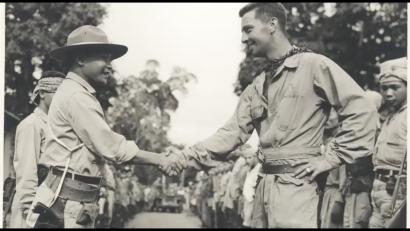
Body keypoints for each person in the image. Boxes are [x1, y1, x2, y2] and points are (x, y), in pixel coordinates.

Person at [171, 3, 377, 228]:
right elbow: (230, 134)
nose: (242, 38)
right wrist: (183, 157)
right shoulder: (257, 85)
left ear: (272, 25)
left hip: (297, 189)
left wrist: (329, 158)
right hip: (263, 189)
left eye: (248, 29)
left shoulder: (313, 65)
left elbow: (363, 111)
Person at [25, 25, 185, 228]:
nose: (110, 66)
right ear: (81, 58)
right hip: (66, 203)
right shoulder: (76, 96)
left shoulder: (75, 92)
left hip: (71, 200)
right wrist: (160, 160)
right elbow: (112, 147)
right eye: (105, 58)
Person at [9, 71, 64, 228]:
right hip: (33, 208)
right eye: (57, 92)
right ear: (42, 93)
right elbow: (26, 170)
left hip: (50, 204)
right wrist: (29, 209)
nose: (62, 100)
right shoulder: (31, 124)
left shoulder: (56, 126)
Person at [369, 57, 407, 228]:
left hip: (398, 192)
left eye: (395, 87)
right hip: (379, 191)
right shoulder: (390, 116)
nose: (388, 93)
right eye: (384, 88)